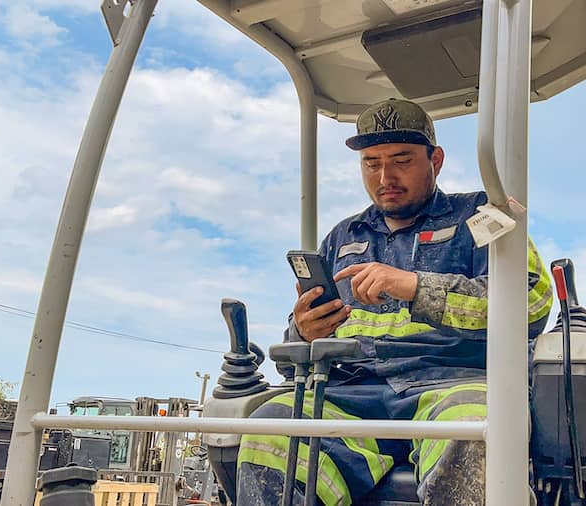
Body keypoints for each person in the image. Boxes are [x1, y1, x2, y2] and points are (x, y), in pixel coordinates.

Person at [236, 99, 553, 505]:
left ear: (435, 160)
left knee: (473, 429)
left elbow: (531, 304)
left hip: (451, 386)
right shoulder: (342, 236)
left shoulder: (479, 217)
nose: (386, 176)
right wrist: (303, 330)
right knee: (269, 431)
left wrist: (415, 286)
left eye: (402, 160)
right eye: (372, 163)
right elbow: (292, 358)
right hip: (353, 395)